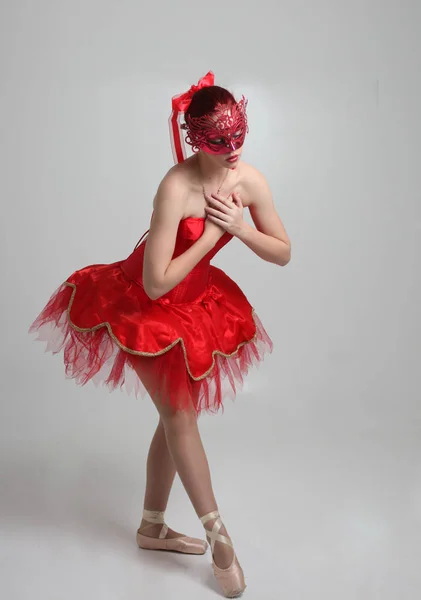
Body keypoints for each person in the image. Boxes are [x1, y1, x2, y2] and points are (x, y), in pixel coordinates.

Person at [29, 71, 291, 598]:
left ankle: (151, 528)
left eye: (239, 135)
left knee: (175, 420)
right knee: (180, 416)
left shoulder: (248, 180)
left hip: (196, 307)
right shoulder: (176, 186)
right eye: (219, 140)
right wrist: (216, 233)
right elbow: (154, 283)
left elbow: (282, 251)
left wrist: (241, 230)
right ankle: (221, 538)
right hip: (141, 306)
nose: (233, 149)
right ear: (194, 138)